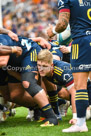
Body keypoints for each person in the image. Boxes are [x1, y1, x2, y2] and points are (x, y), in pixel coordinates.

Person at [47, 0, 91, 132]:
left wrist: (52, 31)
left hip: (81, 41)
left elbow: (62, 24)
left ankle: (81, 124)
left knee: (80, 85)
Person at [0, 34, 58, 126]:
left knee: (28, 83)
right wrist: (38, 38)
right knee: (14, 96)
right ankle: (37, 107)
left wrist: (39, 39)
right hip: (14, 62)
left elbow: (3, 61)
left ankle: (52, 117)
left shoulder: (1, 39)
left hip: (29, 52)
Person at [37, 49, 77, 124]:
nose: (41, 69)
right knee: (58, 92)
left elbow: (75, 93)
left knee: (86, 115)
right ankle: (56, 113)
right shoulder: (46, 70)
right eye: (39, 65)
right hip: (78, 89)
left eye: (44, 66)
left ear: (51, 65)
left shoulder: (62, 72)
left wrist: (75, 117)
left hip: (87, 90)